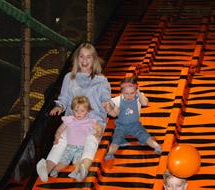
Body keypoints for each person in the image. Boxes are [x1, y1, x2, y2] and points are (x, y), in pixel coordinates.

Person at [36, 42, 112, 182]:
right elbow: (64, 98)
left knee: (91, 140)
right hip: (73, 119)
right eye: (81, 57)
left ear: (94, 59)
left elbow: (106, 99)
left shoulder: (101, 80)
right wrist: (60, 107)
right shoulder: (69, 77)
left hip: (93, 121)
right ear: (77, 59)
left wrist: (108, 105)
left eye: (88, 57)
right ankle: (45, 168)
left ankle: (83, 168)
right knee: (61, 140)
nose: (84, 60)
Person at [103, 77, 162, 160]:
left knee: (145, 136)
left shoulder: (139, 98)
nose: (130, 95)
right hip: (121, 126)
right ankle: (110, 153)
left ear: (136, 90)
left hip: (135, 125)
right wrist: (108, 109)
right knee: (116, 140)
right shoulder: (118, 100)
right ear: (122, 92)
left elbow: (145, 103)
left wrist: (138, 92)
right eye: (126, 93)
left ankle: (157, 147)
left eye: (132, 93)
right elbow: (114, 114)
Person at [48, 96, 96, 181]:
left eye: (82, 111)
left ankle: (76, 172)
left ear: (88, 111)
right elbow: (60, 129)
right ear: (72, 110)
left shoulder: (89, 121)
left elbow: (98, 128)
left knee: (77, 162)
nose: (78, 113)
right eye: (76, 110)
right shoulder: (69, 119)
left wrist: (97, 132)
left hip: (81, 147)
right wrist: (57, 136)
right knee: (64, 161)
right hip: (69, 146)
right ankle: (55, 170)